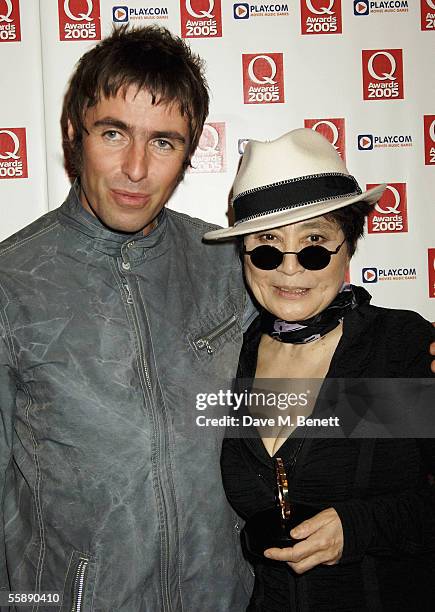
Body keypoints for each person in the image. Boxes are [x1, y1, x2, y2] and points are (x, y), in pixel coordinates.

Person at [0, 26, 254, 611]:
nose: (136, 169)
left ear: (188, 154)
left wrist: (409, 386)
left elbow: (287, 405)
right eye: (114, 134)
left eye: (163, 142)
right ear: (73, 135)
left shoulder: (226, 264)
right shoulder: (13, 283)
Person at [204, 128, 435, 611]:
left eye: (313, 244)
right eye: (267, 246)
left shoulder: (397, 351)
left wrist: (359, 528)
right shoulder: (231, 355)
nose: (290, 271)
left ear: (348, 247)